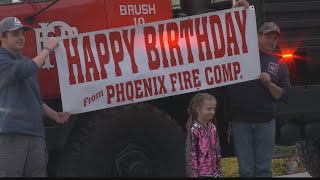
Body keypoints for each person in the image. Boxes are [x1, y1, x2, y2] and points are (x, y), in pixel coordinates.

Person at [0, 17, 70, 177]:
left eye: (22, 34)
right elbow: (24, 70)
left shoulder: (25, 61)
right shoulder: (3, 60)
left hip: (36, 134)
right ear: (2, 38)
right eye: (15, 34)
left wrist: (54, 114)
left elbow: (34, 97)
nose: (21, 38)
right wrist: (48, 48)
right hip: (13, 134)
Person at [226, 22, 292, 177]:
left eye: (275, 38)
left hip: (266, 121)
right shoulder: (241, 55)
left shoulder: (280, 64)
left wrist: (269, 84)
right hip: (240, 121)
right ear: (257, 36)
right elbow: (232, 35)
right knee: (245, 170)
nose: (271, 41)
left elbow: (285, 95)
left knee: (264, 170)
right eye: (268, 36)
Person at [185, 93, 222, 178]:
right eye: (209, 109)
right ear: (198, 110)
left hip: (214, 174)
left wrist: (218, 171)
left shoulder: (213, 128)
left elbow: (217, 150)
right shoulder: (194, 130)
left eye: (214, 109)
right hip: (201, 175)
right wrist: (194, 175)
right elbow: (191, 156)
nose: (212, 112)